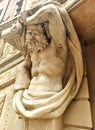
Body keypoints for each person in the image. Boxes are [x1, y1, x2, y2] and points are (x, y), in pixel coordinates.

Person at [13, 1, 83, 120]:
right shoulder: (32, 53)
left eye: (33, 32)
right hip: (28, 98)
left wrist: (28, 21)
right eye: (28, 33)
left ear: (45, 32)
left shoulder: (58, 47)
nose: (30, 37)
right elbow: (24, 66)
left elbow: (50, 12)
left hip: (51, 98)